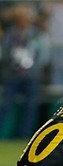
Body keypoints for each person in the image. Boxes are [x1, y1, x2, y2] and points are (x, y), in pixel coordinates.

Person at [0, 4, 50, 139]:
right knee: (5, 106)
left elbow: (44, 57)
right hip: (11, 75)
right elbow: (3, 54)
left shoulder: (38, 35)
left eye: (25, 17)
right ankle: (2, 135)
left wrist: (33, 69)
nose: (23, 20)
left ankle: (25, 136)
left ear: (30, 19)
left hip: (32, 77)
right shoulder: (9, 34)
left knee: (31, 108)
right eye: (20, 17)